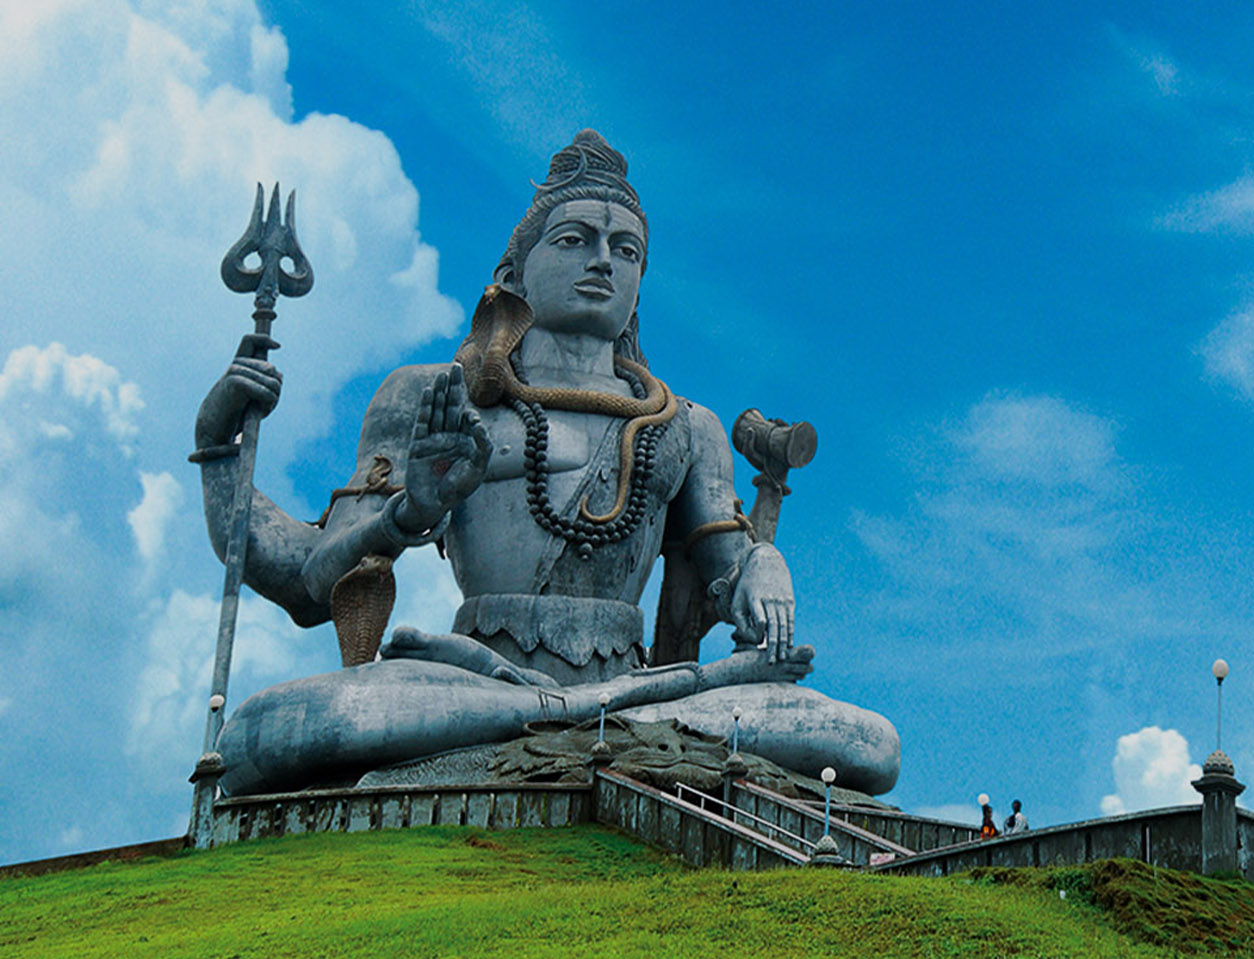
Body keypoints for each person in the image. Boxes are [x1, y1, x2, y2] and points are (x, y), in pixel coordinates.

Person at [192, 131, 898, 795]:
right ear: (516, 271)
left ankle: (584, 715)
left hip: (646, 689)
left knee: (865, 741)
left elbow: (726, 570)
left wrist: (761, 566)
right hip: (471, 680)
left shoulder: (686, 427)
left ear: (640, 285)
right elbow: (311, 581)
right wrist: (230, 448)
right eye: (575, 239)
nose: (602, 261)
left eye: (626, 251)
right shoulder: (432, 395)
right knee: (282, 725)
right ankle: (578, 720)